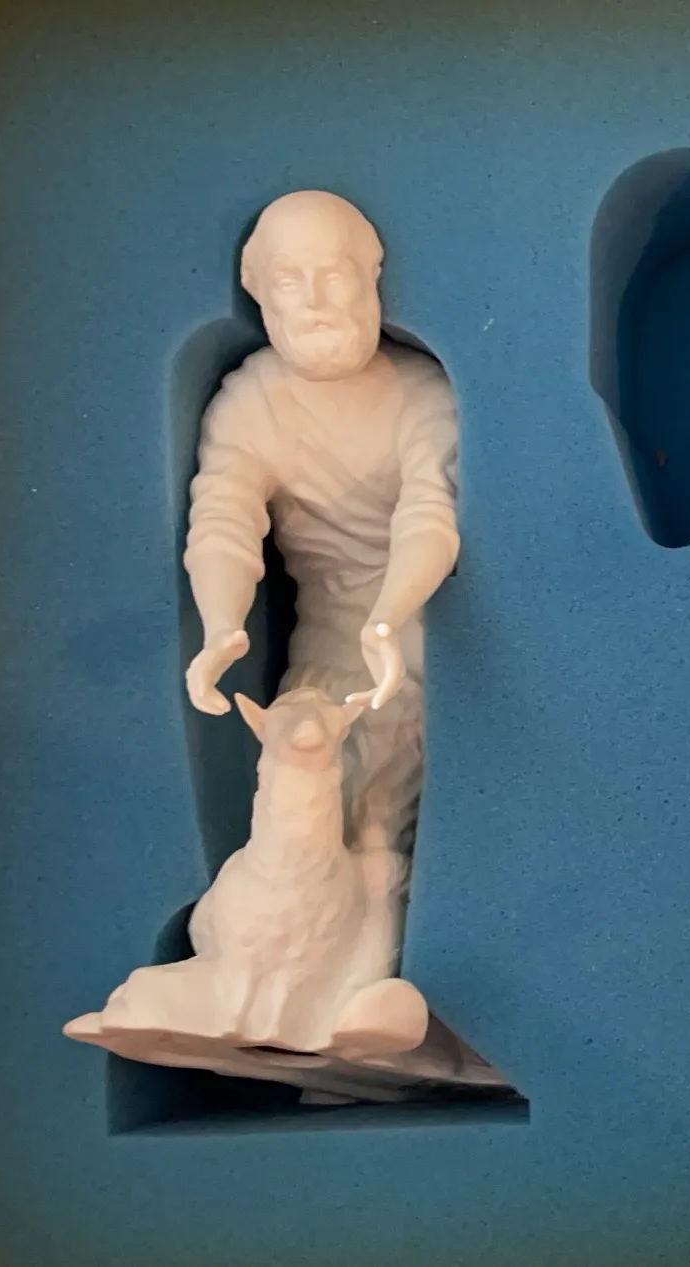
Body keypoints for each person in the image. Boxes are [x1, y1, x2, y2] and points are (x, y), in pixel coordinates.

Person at [180, 190, 460, 957]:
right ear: (259, 294)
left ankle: (375, 960)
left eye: (333, 274)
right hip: (324, 646)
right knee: (306, 786)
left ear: (371, 277)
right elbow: (223, 518)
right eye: (288, 280)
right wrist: (222, 625)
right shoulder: (249, 402)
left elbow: (429, 517)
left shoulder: (420, 394)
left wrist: (387, 620)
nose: (313, 300)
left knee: (385, 809)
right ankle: (303, 962)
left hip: (418, 633)